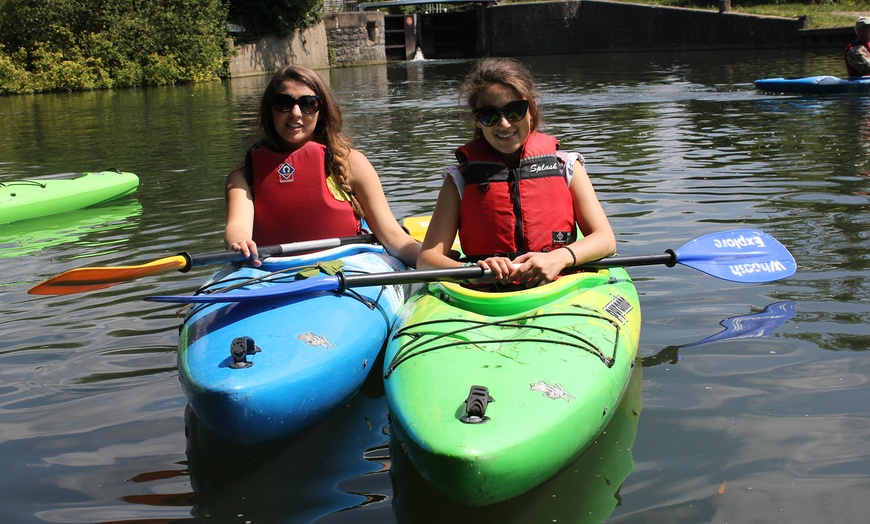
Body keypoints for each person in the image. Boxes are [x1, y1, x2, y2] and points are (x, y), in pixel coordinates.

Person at [417, 57, 615, 288]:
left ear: (531, 110)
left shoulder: (567, 167)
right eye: (489, 115)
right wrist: (472, 271)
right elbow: (426, 260)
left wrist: (559, 257)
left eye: (514, 111)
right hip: (485, 294)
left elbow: (605, 240)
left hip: (559, 290)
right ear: (477, 120)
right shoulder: (459, 179)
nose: (503, 124)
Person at [225, 64, 420, 267]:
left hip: (347, 268)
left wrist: (435, 263)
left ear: (322, 112)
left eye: (308, 103)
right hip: (270, 271)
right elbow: (237, 225)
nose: (295, 113)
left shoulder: (351, 163)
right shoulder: (245, 175)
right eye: (283, 103)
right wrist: (239, 241)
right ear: (270, 110)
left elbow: (393, 237)